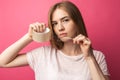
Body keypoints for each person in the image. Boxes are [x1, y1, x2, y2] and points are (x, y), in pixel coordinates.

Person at [0, 1, 110, 80]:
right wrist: (30, 37)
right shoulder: (44, 54)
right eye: (55, 23)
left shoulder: (97, 56)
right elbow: (2, 62)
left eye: (65, 20)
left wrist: (89, 57)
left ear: (77, 22)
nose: (60, 27)